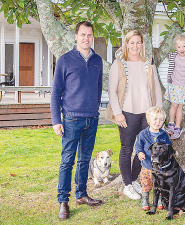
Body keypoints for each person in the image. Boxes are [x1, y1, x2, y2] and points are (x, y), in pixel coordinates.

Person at [51, 21, 103, 220]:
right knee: (67, 161)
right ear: (76, 36)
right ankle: (63, 201)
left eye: (89, 35)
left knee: (84, 160)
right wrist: (57, 120)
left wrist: (94, 108)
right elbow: (56, 92)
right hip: (71, 119)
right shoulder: (65, 60)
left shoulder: (97, 60)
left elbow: (98, 89)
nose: (86, 38)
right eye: (83, 34)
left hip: (91, 118)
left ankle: (81, 194)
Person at [107, 30, 163, 200]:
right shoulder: (118, 64)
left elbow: (157, 89)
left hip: (146, 114)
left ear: (142, 44)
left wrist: (158, 114)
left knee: (144, 148)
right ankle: (127, 185)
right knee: (127, 148)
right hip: (127, 113)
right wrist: (118, 113)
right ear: (126, 44)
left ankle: (133, 180)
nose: (135, 46)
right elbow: (112, 91)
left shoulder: (149, 64)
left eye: (138, 42)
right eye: (132, 42)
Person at [135, 106, 172, 210]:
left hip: (160, 167)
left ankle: (160, 199)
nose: (158, 122)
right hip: (147, 165)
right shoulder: (143, 134)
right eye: (155, 119)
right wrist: (140, 152)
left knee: (160, 183)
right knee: (146, 182)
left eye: (161, 120)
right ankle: (145, 199)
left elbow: (169, 147)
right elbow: (138, 146)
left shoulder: (164, 135)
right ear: (148, 120)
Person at [164, 34, 185, 139]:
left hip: (184, 86)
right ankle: (171, 123)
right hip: (175, 85)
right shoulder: (174, 56)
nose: (181, 49)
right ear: (175, 48)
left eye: (184, 46)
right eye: (179, 47)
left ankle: (177, 127)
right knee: (173, 106)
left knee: (180, 107)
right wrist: (164, 45)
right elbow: (166, 54)